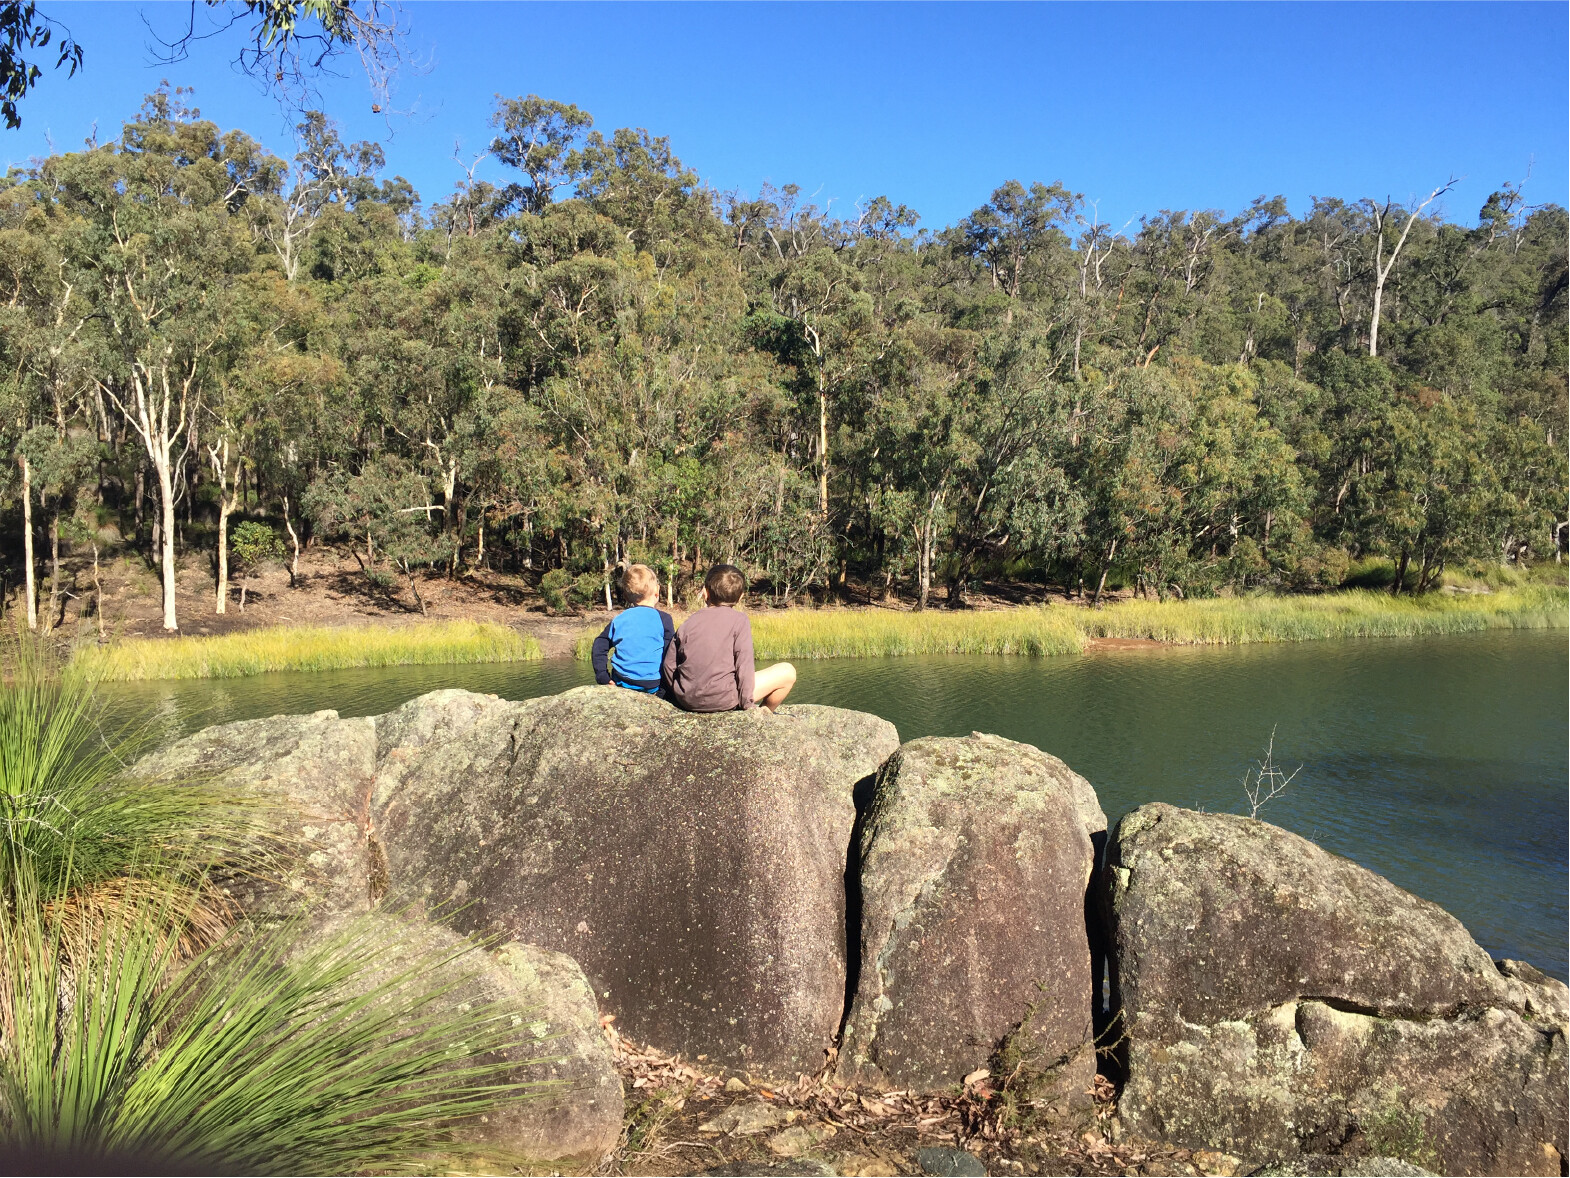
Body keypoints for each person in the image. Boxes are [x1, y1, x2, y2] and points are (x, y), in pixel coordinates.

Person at [662, 563, 796, 713]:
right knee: (787, 671)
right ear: (740, 597)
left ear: (705, 593)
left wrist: (679, 692)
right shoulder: (740, 620)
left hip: (686, 699)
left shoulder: (690, 621)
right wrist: (747, 704)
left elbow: (669, 664)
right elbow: (743, 665)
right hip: (725, 699)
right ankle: (765, 713)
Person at [591, 563, 674, 695]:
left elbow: (599, 644)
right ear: (657, 591)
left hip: (622, 682)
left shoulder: (619, 619)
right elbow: (670, 655)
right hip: (653, 684)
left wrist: (603, 676)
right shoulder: (664, 619)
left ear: (625, 596)